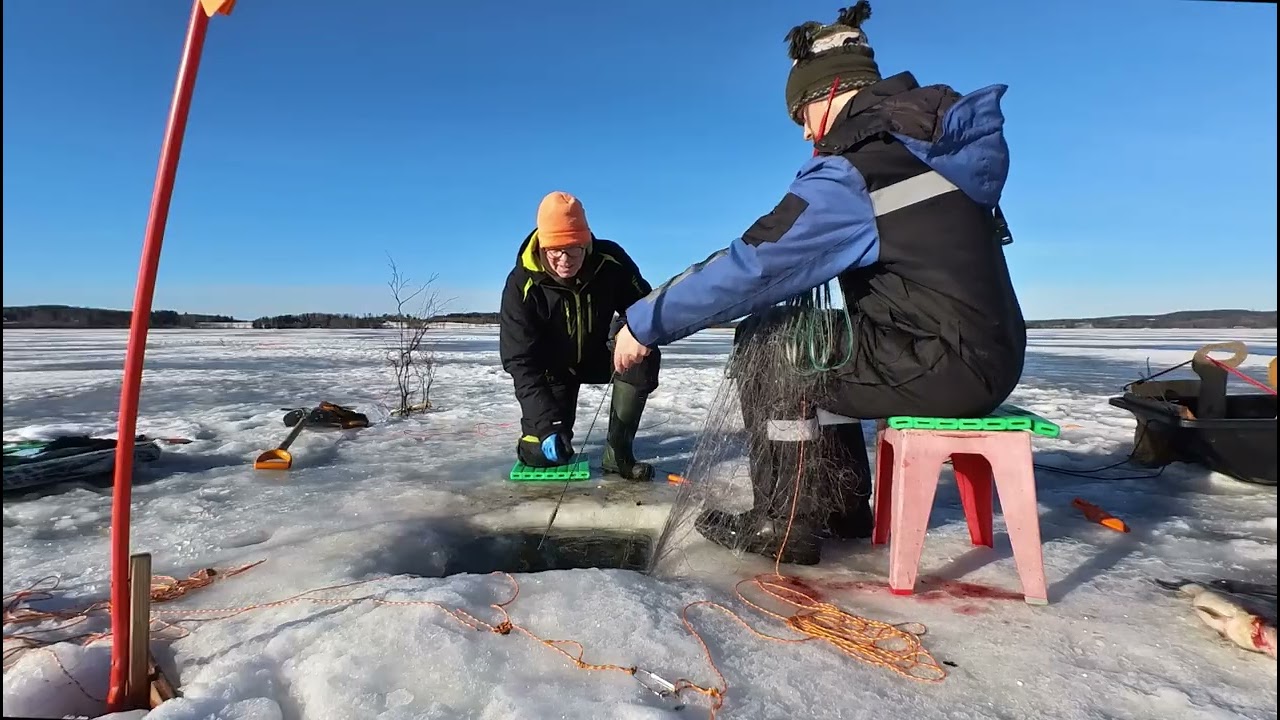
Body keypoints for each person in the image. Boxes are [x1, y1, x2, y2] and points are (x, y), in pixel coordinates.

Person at [612, 1, 1026, 564]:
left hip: (944, 360)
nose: (804, 132)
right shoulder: (925, 149)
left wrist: (645, 321)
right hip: (980, 351)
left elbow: (756, 263)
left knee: (770, 344)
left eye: (800, 115)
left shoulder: (861, 167)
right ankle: (841, 508)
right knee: (811, 337)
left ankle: (786, 523)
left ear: (825, 96)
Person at [500, 191, 661, 481]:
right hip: (552, 372)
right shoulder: (521, 283)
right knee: (545, 455)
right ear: (542, 246)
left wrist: (627, 327)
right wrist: (547, 423)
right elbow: (520, 361)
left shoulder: (610, 260)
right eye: (555, 250)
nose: (565, 259)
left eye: (574, 248)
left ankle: (618, 453)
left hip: (599, 356)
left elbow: (643, 306)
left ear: (586, 241)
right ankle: (541, 438)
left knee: (642, 349)